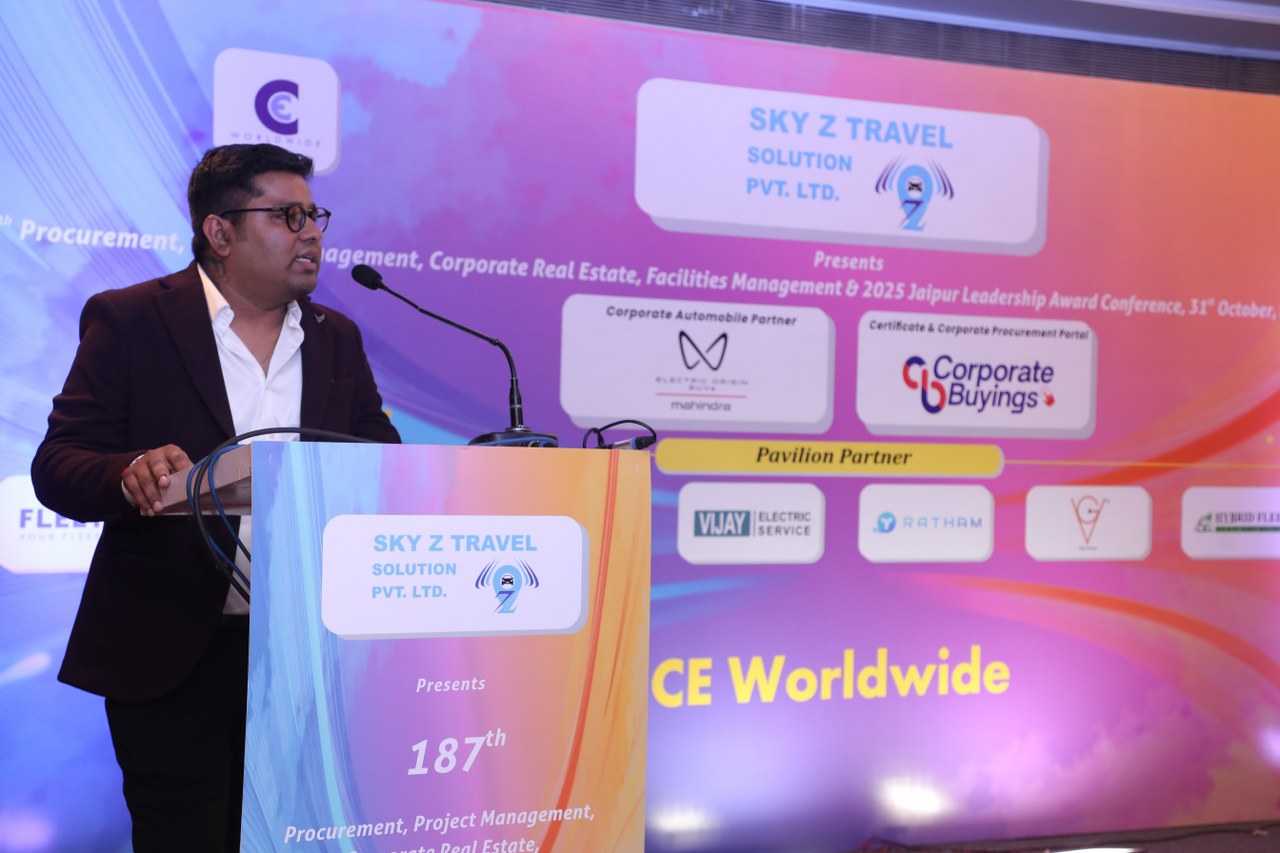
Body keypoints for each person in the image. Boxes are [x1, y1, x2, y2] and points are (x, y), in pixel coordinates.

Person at [31, 143, 401, 851]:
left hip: (307, 657)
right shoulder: (131, 319)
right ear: (220, 233)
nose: (312, 233)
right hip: (173, 653)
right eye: (288, 215)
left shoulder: (336, 338)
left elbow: (381, 462)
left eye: (315, 215)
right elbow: (58, 464)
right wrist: (130, 471)